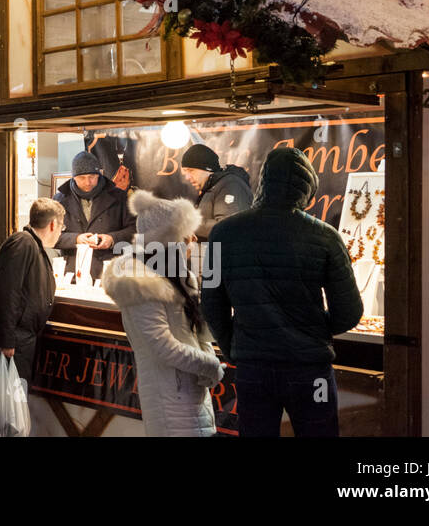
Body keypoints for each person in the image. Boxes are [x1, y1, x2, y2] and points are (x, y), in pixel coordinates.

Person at [201, 147, 363, 437]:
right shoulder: (325, 236)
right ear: (307, 189)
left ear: (264, 182)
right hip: (311, 371)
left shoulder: (222, 234)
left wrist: (234, 346)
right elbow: (350, 312)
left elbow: (211, 304)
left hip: (254, 368)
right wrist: (315, 331)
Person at [102, 190, 224, 436]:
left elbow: (195, 332)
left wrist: (207, 358)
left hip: (192, 389)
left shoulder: (179, 277)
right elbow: (162, 346)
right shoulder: (140, 283)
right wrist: (210, 366)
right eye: (184, 235)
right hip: (169, 394)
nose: (191, 240)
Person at [0, 198, 63, 437]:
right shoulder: (23, 243)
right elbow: (6, 292)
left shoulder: (30, 245)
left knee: (6, 414)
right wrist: (7, 340)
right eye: (61, 227)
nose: (60, 232)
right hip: (4, 348)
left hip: (17, 344)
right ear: (53, 225)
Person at [52, 149, 135, 282]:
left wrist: (112, 239)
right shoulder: (59, 200)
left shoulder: (119, 197)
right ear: (73, 177)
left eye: (92, 177)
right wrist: (76, 239)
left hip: (109, 272)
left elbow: (134, 231)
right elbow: (49, 236)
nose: (87, 182)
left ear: (99, 174)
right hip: (72, 274)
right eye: (81, 178)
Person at [180, 144, 252, 240]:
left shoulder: (230, 185)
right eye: (185, 172)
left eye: (191, 171)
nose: (187, 177)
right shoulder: (213, 187)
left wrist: (189, 223)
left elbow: (229, 228)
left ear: (207, 169)